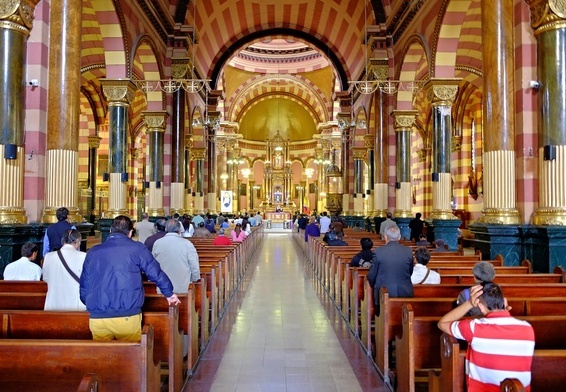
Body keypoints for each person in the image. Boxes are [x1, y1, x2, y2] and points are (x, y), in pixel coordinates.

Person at [80, 215, 180, 341]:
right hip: (127, 313)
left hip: (98, 316)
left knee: (104, 358)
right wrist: (169, 293)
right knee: (129, 356)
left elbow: (84, 282)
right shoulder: (137, 248)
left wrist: (90, 302)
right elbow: (155, 273)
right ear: (130, 233)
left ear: (110, 231)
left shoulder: (93, 251)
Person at [438, 282, 535, 391]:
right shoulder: (527, 328)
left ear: (480, 307)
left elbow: (442, 323)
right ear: (504, 301)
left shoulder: (474, 328)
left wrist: (469, 303)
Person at [367, 226, 414, 308]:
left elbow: (372, 274)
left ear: (385, 237)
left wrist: (375, 285)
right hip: (405, 291)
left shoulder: (378, 251)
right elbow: (410, 271)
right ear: (399, 237)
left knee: (382, 317)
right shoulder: (408, 251)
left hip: (384, 291)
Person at [42, 229, 86, 310]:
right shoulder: (84, 257)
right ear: (78, 241)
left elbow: (45, 278)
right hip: (74, 304)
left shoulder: (48, 257)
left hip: (53, 303)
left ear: (63, 241)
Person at [152, 219, 200, 293]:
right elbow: (194, 266)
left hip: (163, 287)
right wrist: (194, 279)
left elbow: (153, 265)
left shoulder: (157, 243)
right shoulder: (187, 244)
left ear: (166, 229)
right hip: (183, 287)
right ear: (180, 230)